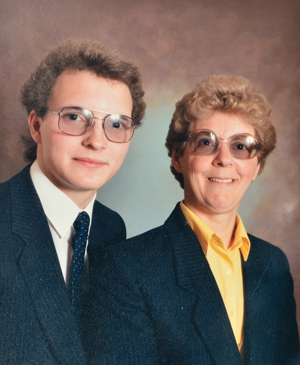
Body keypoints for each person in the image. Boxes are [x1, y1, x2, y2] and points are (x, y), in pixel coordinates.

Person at [87, 75, 299, 364]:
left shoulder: (273, 264)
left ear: (257, 164)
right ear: (178, 157)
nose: (224, 159)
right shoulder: (125, 269)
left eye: (240, 146)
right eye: (205, 142)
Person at [0, 39, 145, 364]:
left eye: (117, 124)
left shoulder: (111, 228)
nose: (96, 141)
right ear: (37, 126)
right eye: (76, 117)